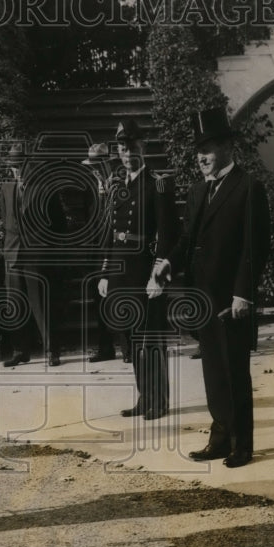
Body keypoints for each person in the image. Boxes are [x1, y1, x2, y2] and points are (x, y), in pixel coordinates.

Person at [154, 107, 270, 467]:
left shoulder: (248, 187)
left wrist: (243, 294)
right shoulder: (197, 191)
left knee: (235, 372)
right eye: (198, 152)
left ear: (227, 148)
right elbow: (187, 239)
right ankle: (219, 438)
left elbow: (255, 247)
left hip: (231, 299)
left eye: (207, 150)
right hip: (202, 296)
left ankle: (241, 445)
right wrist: (169, 262)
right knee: (214, 373)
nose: (201, 158)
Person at [98, 121, 177, 418]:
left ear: (143, 147)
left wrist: (158, 274)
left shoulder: (157, 184)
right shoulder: (117, 186)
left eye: (132, 147)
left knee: (151, 338)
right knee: (131, 338)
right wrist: (105, 272)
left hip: (145, 271)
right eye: (122, 148)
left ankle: (160, 400)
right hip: (121, 271)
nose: (128, 153)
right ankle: (145, 397)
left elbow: (167, 234)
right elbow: (111, 232)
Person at [0, 143, 68, 367]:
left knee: (42, 304)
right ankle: (20, 351)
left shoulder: (44, 188)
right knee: (15, 304)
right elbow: (5, 219)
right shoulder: (6, 188)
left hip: (37, 255)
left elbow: (59, 224)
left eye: (20, 165)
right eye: (13, 166)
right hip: (13, 253)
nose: (17, 170)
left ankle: (51, 350)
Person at [81, 142, 125, 363]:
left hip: (115, 248)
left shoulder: (119, 185)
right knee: (99, 301)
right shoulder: (93, 187)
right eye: (92, 167)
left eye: (98, 166)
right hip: (96, 251)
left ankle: (127, 347)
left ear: (108, 164)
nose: (95, 170)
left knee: (118, 296)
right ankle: (105, 348)